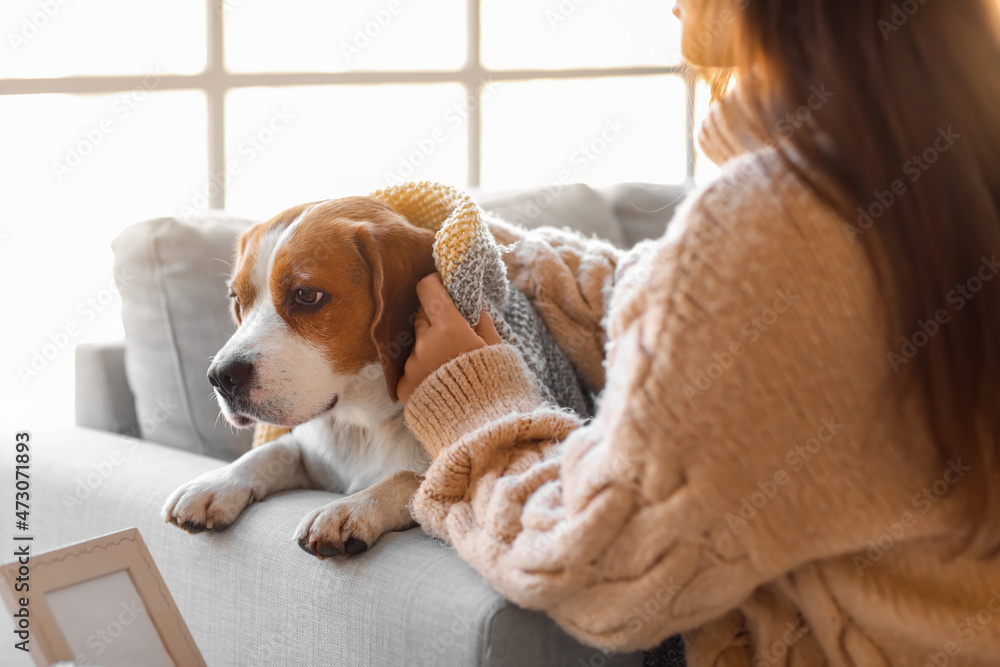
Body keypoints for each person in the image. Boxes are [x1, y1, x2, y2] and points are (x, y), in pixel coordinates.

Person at [395, 0, 1000, 664]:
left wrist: (474, 406)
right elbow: (696, 333)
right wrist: (505, 260)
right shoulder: (930, 169)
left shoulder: (779, 218)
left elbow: (602, 569)